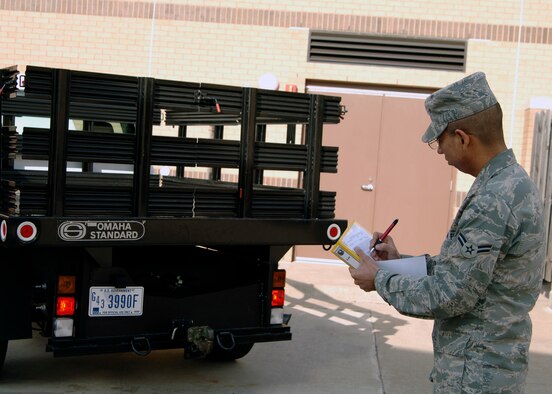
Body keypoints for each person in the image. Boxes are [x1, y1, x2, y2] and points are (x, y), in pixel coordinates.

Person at [349, 72, 545, 393]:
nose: (440, 150)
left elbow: (449, 296)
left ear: (463, 138)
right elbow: (470, 271)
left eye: (439, 140)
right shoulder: (511, 183)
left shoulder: (493, 199)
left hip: (475, 375)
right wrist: (400, 261)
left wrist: (380, 279)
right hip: (491, 367)